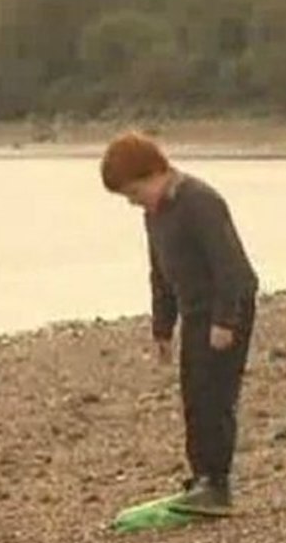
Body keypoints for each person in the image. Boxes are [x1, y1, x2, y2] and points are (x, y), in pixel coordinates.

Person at [100, 130, 259, 515]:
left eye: (134, 192)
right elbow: (161, 274)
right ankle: (202, 476)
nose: (133, 202)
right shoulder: (155, 215)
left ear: (154, 172)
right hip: (193, 311)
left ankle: (216, 484)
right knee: (193, 394)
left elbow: (233, 269)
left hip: (226, 309)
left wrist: (225, 320)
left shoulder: (200, 202)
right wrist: (162, 328)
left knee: (215, 396)